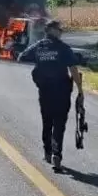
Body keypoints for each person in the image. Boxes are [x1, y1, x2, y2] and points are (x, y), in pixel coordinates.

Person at [17, 19, 84, 169]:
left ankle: (47, 152)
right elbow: (73, 69)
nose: (61, 32)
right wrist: (80, 89)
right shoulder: (63, 48)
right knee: (59, 124)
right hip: (62, 92)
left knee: (47, 123)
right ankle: (56, 154)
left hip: (45, 92)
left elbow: (21, 57)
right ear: (52, 30)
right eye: (59, 29)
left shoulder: (38, 47)